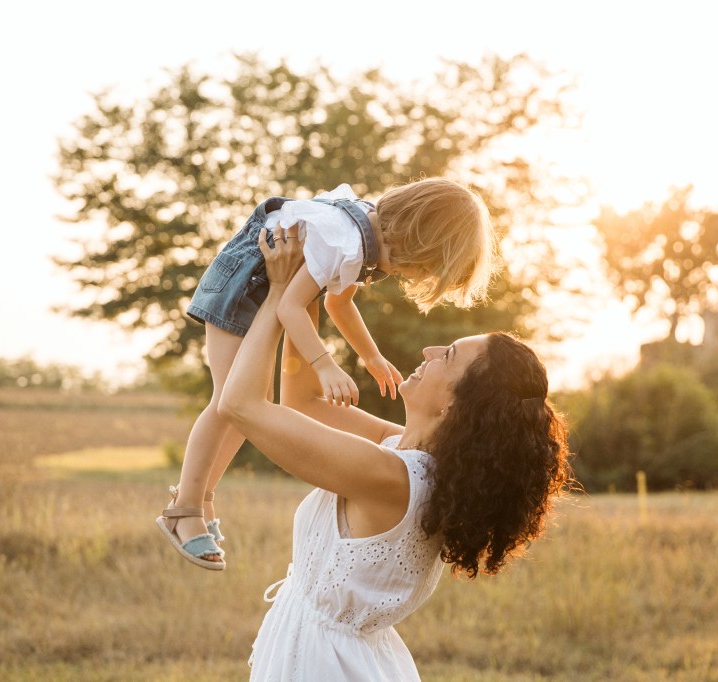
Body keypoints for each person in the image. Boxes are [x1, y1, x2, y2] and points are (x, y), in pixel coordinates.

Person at [217, 224, 573, 680]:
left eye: (448, 355)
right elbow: (303, 403)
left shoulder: (391, 477)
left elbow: (240, 405)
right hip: (342, 657)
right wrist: (310, 280)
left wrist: (280, 291)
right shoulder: (406, 454)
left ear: (457, 403)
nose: (429, 349)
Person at [158, 178, 497, 569]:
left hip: (270, 285)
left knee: (241, 414)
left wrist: (370, 356)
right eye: (419, 267)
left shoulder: (367, 243)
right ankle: (184, 509)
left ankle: (202, 498)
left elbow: (338, 302)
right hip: (244, 284)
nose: (409, 277)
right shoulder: (343, 241)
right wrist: (325, 365)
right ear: (414, 236)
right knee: (226, 404)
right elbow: (289, 307)